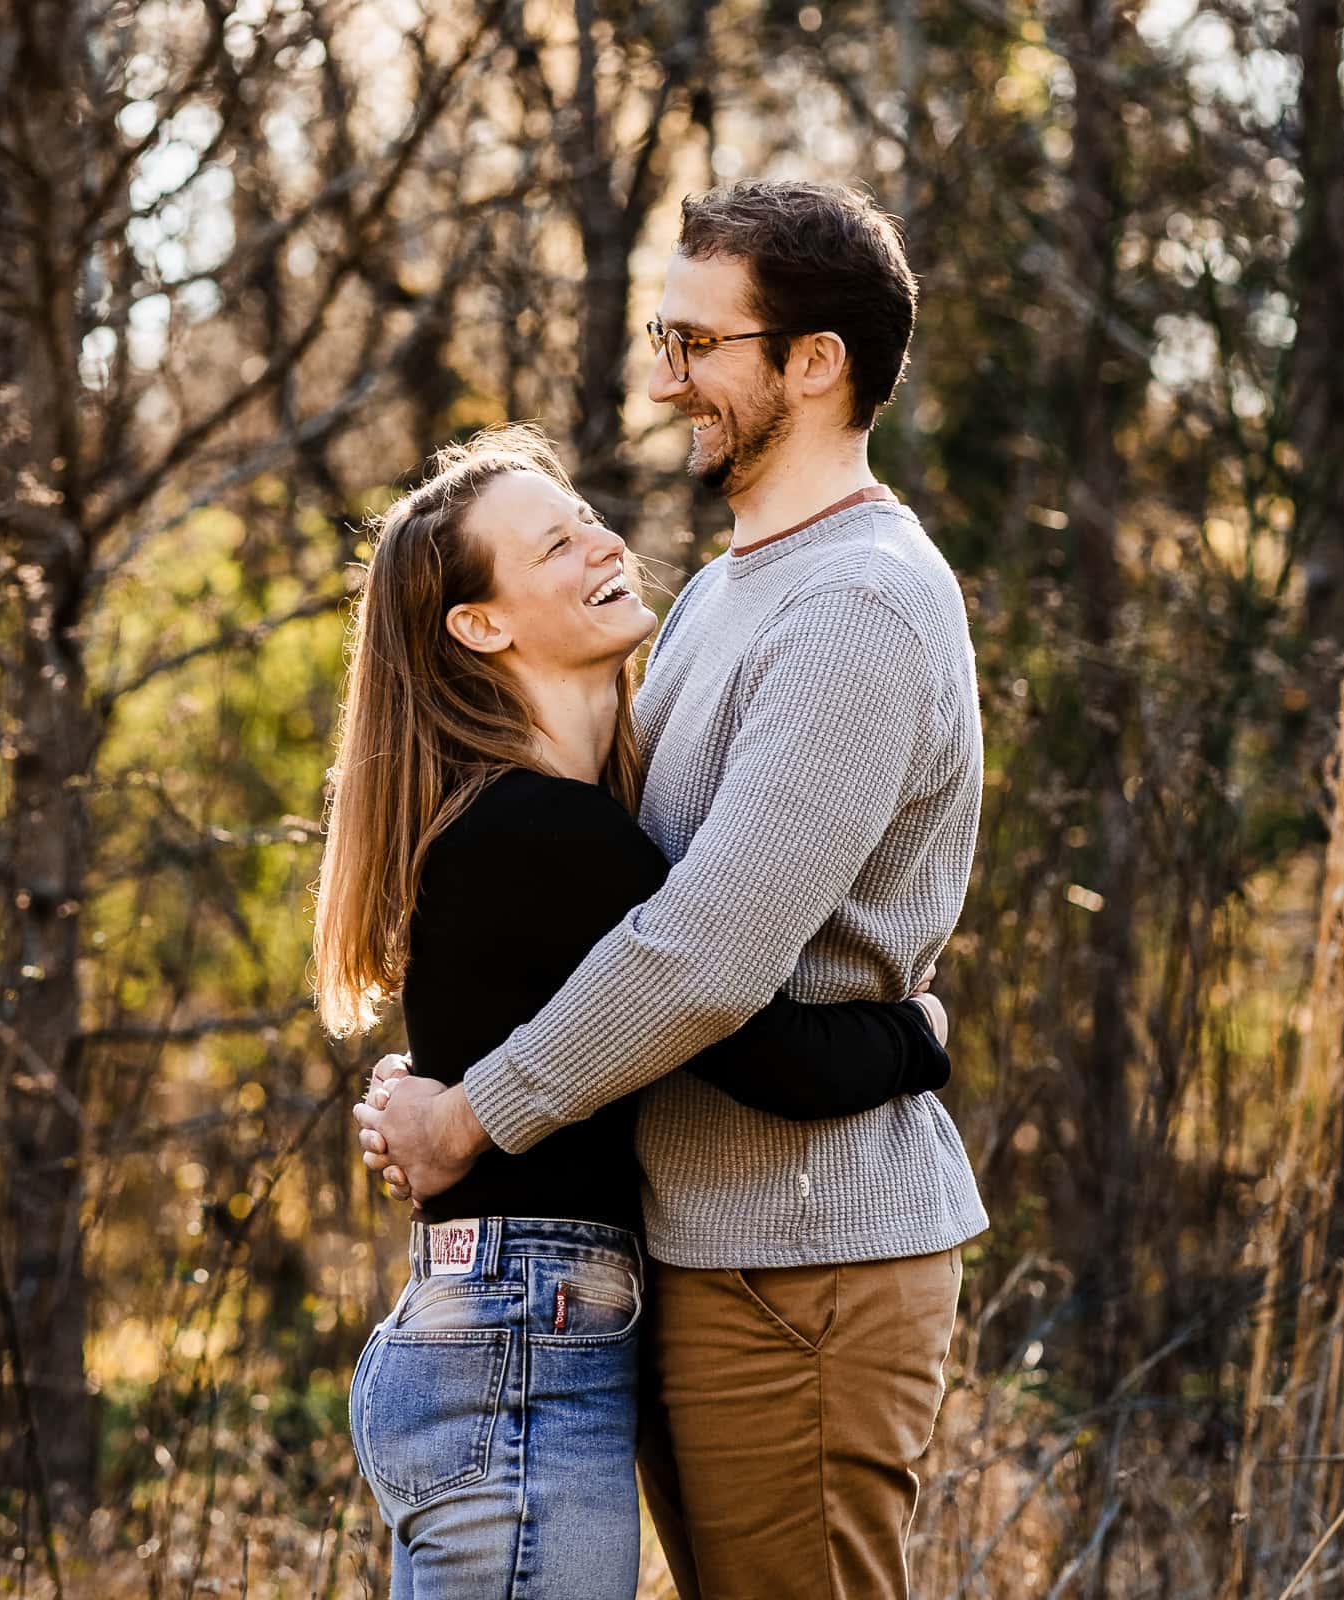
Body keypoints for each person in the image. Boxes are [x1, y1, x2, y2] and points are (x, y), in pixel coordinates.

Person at [356, 180, 990, 1600]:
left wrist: (471, 1110)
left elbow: (702, 955)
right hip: (702, 1246)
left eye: (697, 343)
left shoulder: (856, 603)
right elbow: (598, 895)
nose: (663, 379)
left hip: (809, 1252)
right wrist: (444, 1054)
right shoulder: (719, 595)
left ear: (813, 362)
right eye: (665, 337)